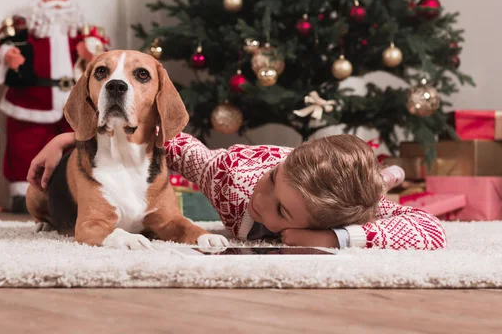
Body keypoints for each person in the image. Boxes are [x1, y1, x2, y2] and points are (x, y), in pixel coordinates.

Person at [27, 132, 447, 250]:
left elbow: (431, 231)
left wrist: (332, 236)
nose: (261, 202)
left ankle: (384, 176)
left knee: (377, 188)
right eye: (271, 183)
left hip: (349, 197)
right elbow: (172, 141)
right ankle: (384, 172)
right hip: (252, 158)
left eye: (281, 211)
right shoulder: (232, 176)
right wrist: (70, 139)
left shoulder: (346, 213)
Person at [0, 0, 109, 211]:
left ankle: (72, 192)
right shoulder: (25, 32)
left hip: (74, 102)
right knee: (25, 145)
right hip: (31, 100)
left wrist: (90, 54)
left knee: (76, 147)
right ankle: (23, 194)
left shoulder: (81, 35)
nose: (57, 0)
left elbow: (108, 61)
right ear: (37, 2)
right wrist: (7, 55)